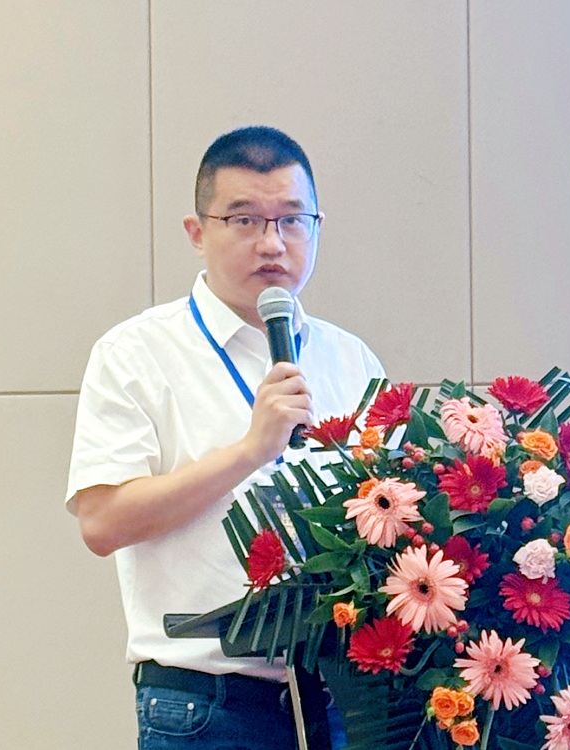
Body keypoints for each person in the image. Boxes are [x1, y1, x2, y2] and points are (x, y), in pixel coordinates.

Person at [66, 126, 384, 749]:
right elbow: (101, 523)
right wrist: (249, 451)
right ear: (197, 232)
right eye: (244, 220)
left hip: (346, 703)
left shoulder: (351, 360)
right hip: (206, 705)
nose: (272, 243)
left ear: (318, 227)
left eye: (292, 220)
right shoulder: (136, 353)